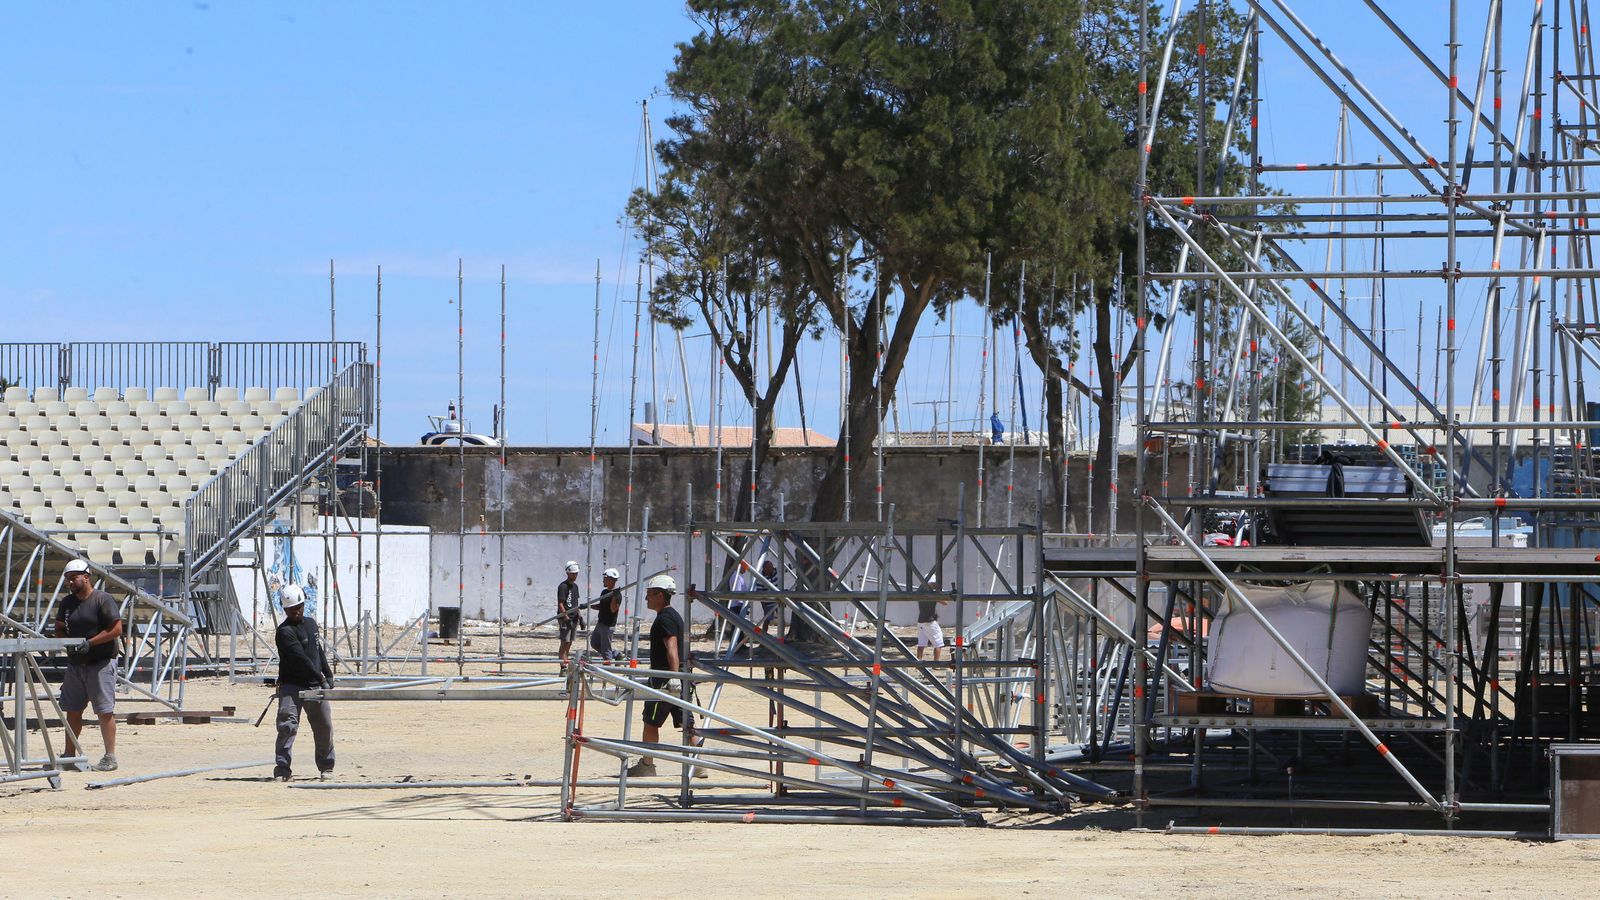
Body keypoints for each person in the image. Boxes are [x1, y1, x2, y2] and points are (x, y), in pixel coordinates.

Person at [626, 574, 704, 778]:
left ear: (660, 595)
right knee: (687, 722)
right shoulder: (676, 616)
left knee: (650, 722)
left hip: (665, 681)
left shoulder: (665, 619)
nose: (646, 599)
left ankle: (647, 765)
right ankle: (698, 765)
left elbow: (672, 646)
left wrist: (673, 676)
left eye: (650, 595)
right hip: (679, 678)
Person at [55, 558, 122, 772]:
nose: (70, 582)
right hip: (76, 665)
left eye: (73, 578)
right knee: (73, 710)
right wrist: (67, 644)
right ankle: (69, 755)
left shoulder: (102, 600)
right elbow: (59, 628)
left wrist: (90, 643)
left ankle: (110, 756)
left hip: (100, 663)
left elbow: (116, 629)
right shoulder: (67, 603)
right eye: (68, 579)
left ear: (86, 576)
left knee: (104, 710)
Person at [274, 584, 335, 782]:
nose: (297, 611)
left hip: (315, 685)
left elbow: (317, 652)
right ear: (285, 610)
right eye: (292, 609)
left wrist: (328, 673)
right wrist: (321, 678)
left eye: (299, 607)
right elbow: (300, 658)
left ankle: (326, 767)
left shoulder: (311, 624)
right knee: (287, 726)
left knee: (323, 726)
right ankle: (283, 769)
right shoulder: (284, 632)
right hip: (291, 685)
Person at [587, 567, 622, 661]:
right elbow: (601, 606)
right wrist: (589, 606)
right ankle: (616, 654)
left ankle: (608, 669)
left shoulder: (618, 594)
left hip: (608, 625)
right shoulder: (604, 592)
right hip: (600, 622)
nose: (603, 580)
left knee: (606, 650)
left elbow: (613, 609)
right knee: (594, 643)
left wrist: (614, 597)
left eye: (605, 578)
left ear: (611, 580)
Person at [556, 561, 582, 672]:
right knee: (564, 642)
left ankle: (565, 661)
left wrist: (580, 617)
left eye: (576, 573)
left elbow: (576, 604)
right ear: (568, 573)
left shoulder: (575, 587)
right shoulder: (563, 586)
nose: (575, 575)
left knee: (570, 642)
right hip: (565, 619)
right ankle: (563, 666)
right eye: (573, 573)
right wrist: (566, 618)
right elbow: (561, 603)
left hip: (574, 618)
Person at [916, 594, 951, 661]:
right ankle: (936, 664)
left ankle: (918, 662)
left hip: (920, 621)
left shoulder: (921, 592)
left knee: (921, 643)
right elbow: (945, 602)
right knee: (938, 643)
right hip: (930, 621)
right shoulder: (932, 594)